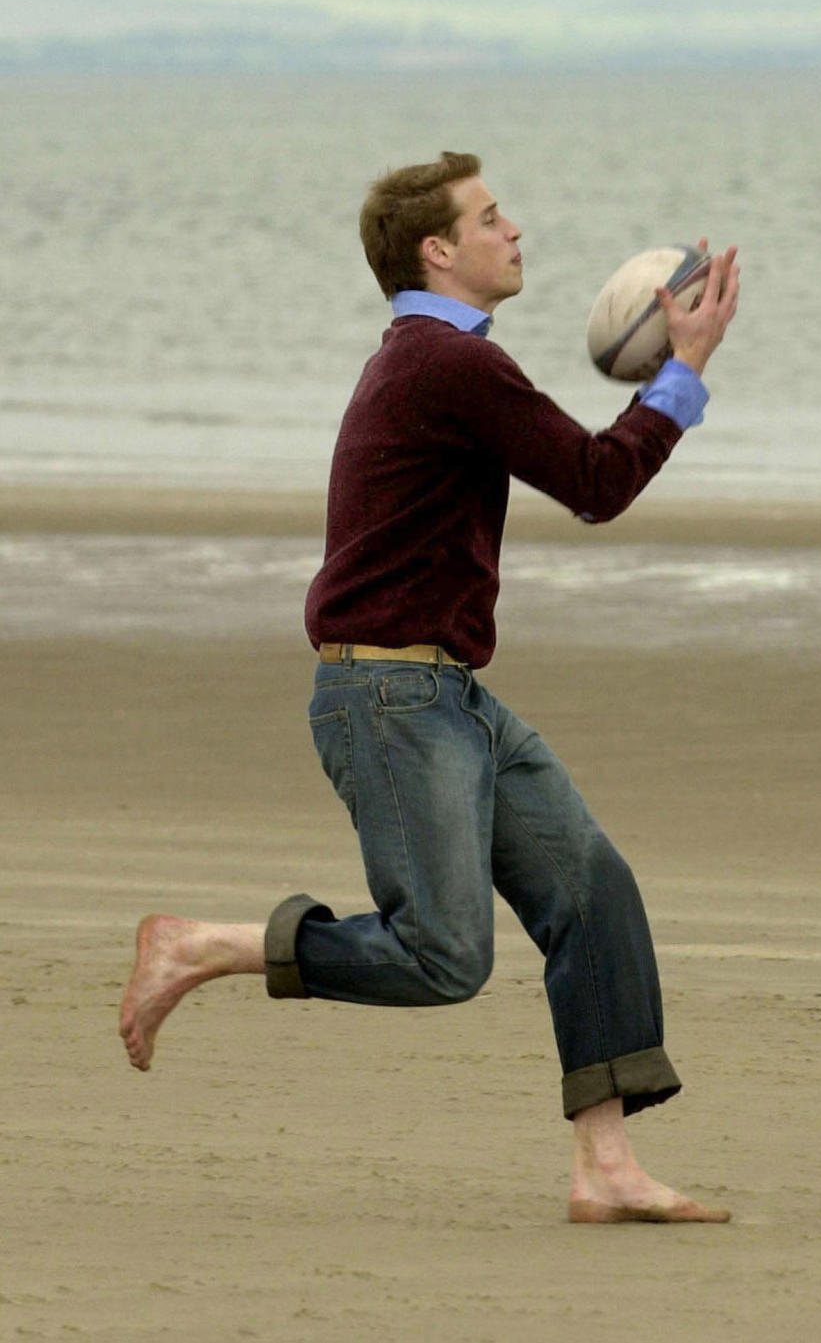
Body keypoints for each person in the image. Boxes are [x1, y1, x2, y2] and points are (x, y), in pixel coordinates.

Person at [120, 151, 740, 1225]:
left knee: (593, 892)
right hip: (389, 701)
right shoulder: (446, 365)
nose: (516, 231)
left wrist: (672, 372)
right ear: (437, 249)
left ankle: (606, 1168)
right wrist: (680, 368)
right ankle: (205, 944)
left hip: (449, 697)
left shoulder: (436, 362)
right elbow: (596, 484)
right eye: (492, 217)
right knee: (443, 957)